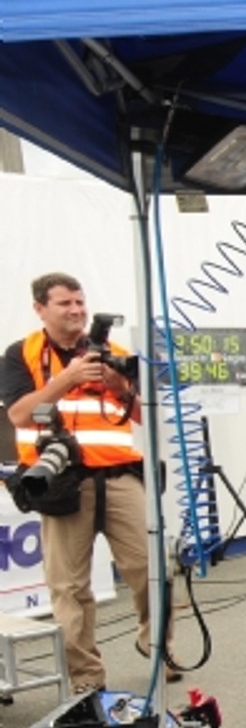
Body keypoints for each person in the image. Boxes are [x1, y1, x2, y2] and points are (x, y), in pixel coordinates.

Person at [2, 273, 172, 695]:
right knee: (69, 587)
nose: (76, 310)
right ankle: (86, 678)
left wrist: (120, 387)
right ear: (40, 308)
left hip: (119, 475)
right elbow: (19, 415)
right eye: (65, 303)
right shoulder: (21, 353)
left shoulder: (114, 354)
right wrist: (69, 378)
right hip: (61, 480)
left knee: (153, 568)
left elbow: (146, 416)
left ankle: (157, 647)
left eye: (80, 302)